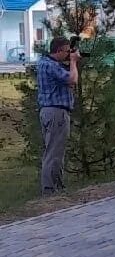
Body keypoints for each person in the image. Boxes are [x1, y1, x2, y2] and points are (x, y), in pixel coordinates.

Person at [36, 36, 80, 196]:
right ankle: (50, 189)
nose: (69, 55)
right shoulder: (51, 65)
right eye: (67, 51)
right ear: (59, 50)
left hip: (49, 111)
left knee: (55, 150)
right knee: (54, 152)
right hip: (56, 112)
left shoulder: (44, 63)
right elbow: (72, 79)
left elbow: (65, 81)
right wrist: (74, 63)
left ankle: (57, 185)